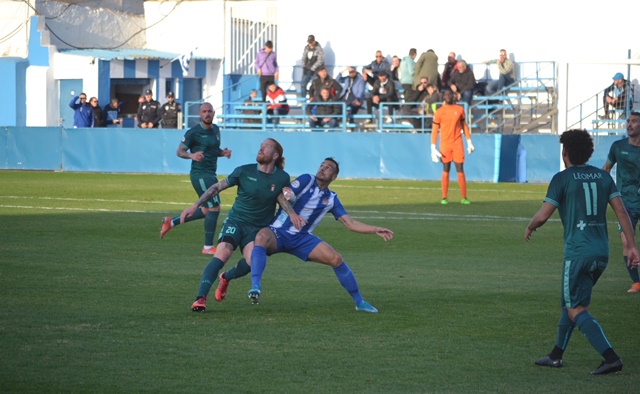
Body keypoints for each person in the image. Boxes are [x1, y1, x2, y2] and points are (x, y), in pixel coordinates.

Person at [525, 128, 639, 375]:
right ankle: (556, 355)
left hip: (577, 253)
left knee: (576, 308)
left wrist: (530, 225)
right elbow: (622, 212)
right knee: (571, 302)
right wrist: (631, 246)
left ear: (565, 152)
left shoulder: (562, 179)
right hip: (601, 253)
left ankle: (610, 357)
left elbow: (543, 215)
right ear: (588, 152)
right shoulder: (603, 177)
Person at [215, 157, 394, 313]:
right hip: (278, 231)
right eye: (322, 165)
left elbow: (350, 223)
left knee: (336, 259)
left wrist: (374, 228)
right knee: (260, 239)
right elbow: (287, 193)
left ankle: (359, 302)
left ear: (334, 177)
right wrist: (288, 194)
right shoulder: (307, 179)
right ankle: (252, 285)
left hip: (301, 239)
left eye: (328, 168)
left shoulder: (331, 198)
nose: (322, 168)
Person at [183, 138, 303, 312]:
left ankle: (226, 277)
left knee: (251, 262)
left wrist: (292, 213)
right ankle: (200, 298)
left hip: (257, 229)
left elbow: (280, 197)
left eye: (266, 147)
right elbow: (216, 188)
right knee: (222, 253)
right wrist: (195, 206)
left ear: (276, 155)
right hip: (236, 222)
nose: (261, 149)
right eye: (260, 145)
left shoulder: (282, 177)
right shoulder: (243, 171)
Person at [160, 102, 232, 255]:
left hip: (211, 174)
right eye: (204, 111)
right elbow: (179, 151)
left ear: (213, 113)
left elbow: (212, 150)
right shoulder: (193, 132)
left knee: (206, 210)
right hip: (200, 175)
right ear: (200, 114)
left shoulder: (216, 130)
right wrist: (191, 155)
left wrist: (223, 153)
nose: (207, 114)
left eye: (210, 111)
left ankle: (171, 222)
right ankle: (207, 247)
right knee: (215, 208)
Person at [602, 111, 640, 293]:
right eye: (628, 121)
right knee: (626, 241)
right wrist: (604, 189)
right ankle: (637, 282)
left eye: (634, 122)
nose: (629, 124)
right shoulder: (617, 146)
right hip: (625, 203)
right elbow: (606, 169)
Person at [431, 89, 474, 204]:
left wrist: (469, 141)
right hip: (445, 144)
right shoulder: (439, 112)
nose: (448, 96)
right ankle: (444, 197)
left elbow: (464, 126)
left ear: (454, 96)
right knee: (446, 168)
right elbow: (435, 130)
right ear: (443, 97)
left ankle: (464, 197)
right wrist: (433, 147)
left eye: (450, 94)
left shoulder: (459, 109)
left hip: (457, 143)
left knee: (460, 168)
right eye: (446, 95)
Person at [300, 35, 324, 99]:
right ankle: (303, 99)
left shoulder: (319, 48)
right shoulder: (306, 48)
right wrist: (304, 66)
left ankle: (316, 99)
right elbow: (303, 57)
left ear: (314, 41)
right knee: (303, 84)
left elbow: (320, 60)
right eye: (309, 42)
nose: (309, 44)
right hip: (307, 69)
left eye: (311, 42)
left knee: (316, 85)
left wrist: (313, 68)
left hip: (316, 70)